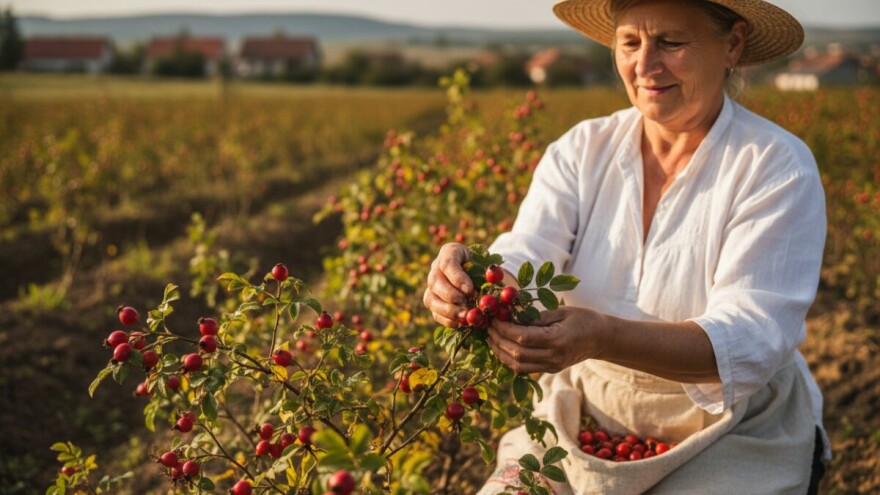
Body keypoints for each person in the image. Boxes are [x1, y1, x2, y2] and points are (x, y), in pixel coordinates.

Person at [422, 0, 828, 493]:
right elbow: (529, 249)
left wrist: (603, 337)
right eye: (630, 43)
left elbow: (748, 338)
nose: (645, 65)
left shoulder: (773, 165)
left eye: (671, 43)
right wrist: (477, 278)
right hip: (589, 408)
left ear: (733, 43)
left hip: (729, 425)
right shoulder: (582, 149)